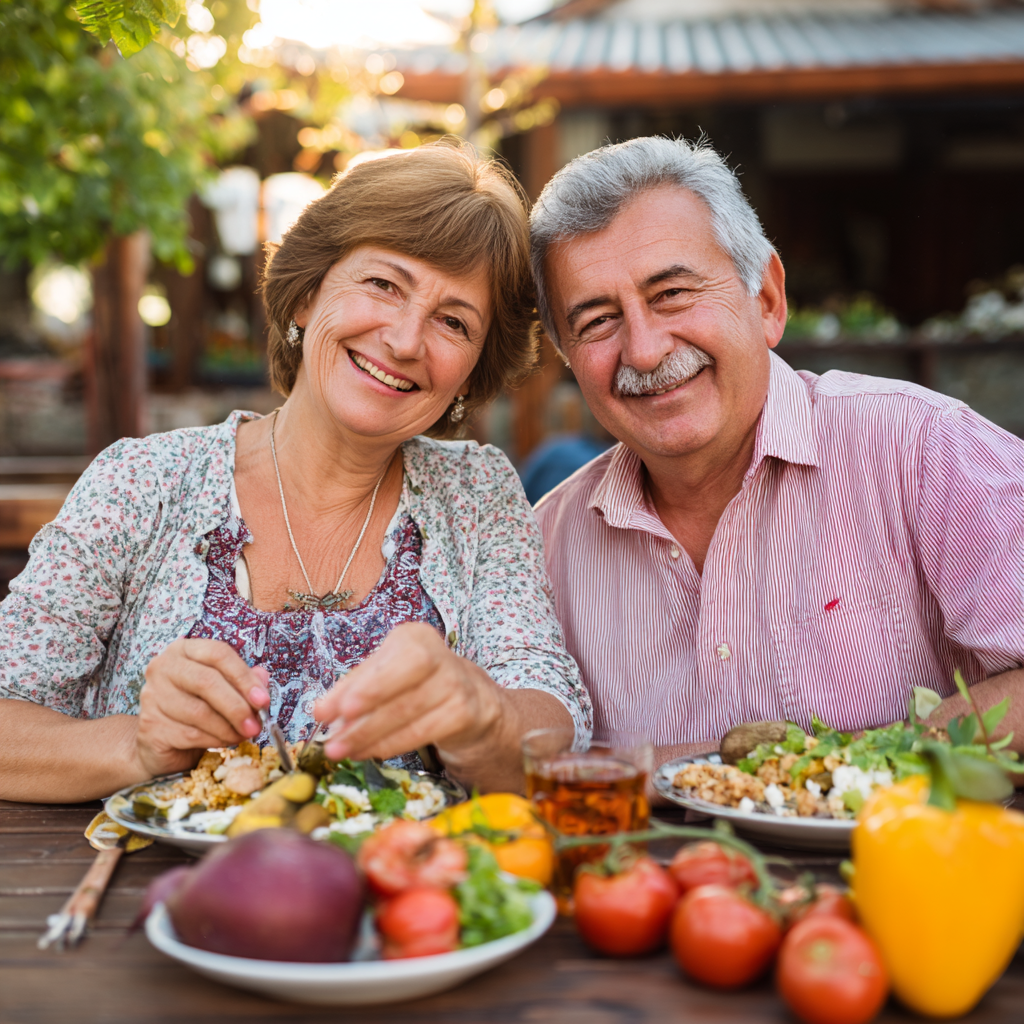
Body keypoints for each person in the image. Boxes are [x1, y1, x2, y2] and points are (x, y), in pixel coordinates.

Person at [0, 143, 591, 803]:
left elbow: (551, 722)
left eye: (453, 321)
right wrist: (135, 744)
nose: (403, 339)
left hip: (397, 896)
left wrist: (485, 715)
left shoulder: (478, 495)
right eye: (383, 285)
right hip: (159, 899)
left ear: (474, 370)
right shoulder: (142, 483)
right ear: (309, 294)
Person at [531, 136, 1024, 766]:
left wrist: (857, 767)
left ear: (766, 299)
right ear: (568, 358)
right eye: (597, 320)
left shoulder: (920, 449)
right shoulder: (544, 544)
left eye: (672, 294)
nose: (645, 350)